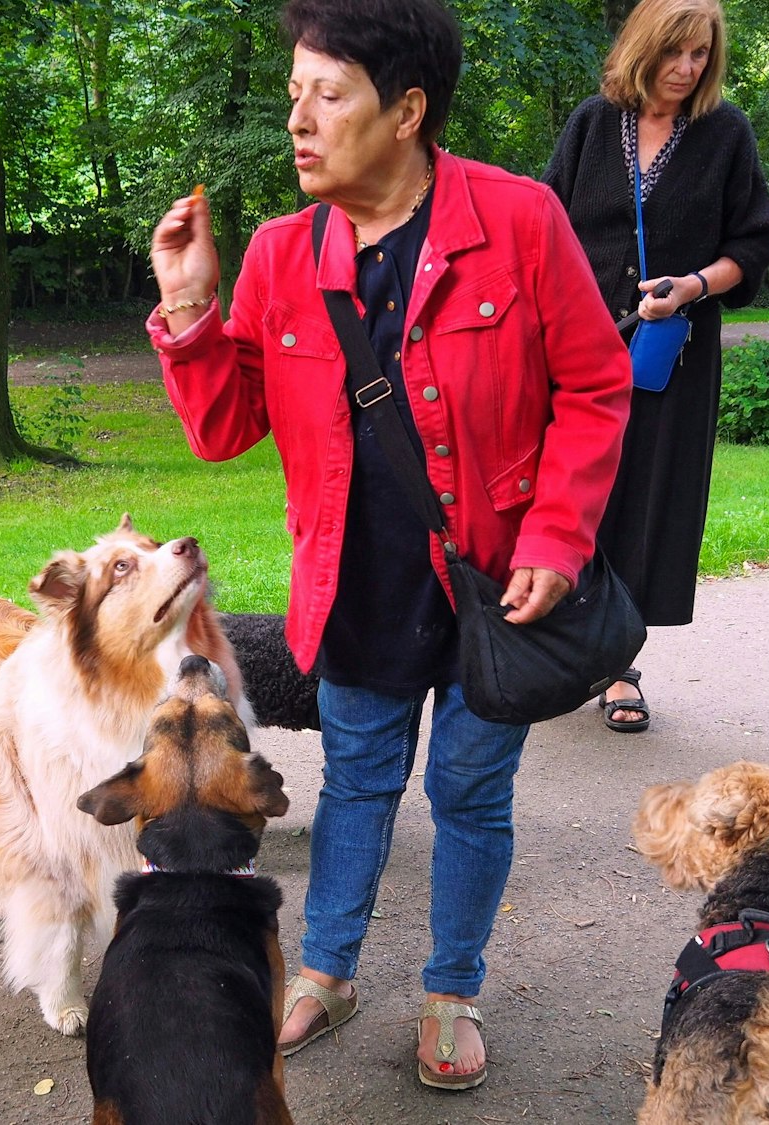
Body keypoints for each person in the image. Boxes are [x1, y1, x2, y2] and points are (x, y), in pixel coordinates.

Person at [147, 0, 630, 1091]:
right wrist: (188, 310)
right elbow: (226, 427)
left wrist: (556, 535)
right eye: (293, 98)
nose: (298, 122)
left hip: (491, 596)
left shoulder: (517, 220)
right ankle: (325, 970)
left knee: (467, 793)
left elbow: (596, 387)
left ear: (406, 110)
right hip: (352, 591)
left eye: (328, 96)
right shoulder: (280, 255)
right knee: (357, 784)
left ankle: (451, 988)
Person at [542, 0, 769, 734]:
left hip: (668, 357)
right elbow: (543, 224)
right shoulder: (590, 123)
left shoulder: (725, 134)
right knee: (568, 494)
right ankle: (553, 653)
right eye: (675, 51)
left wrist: (692, 288)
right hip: (578, 348)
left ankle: (618, 666)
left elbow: (756, 243)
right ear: (644, 47)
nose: (687, 67)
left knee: (645, 501)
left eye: (700, 54)